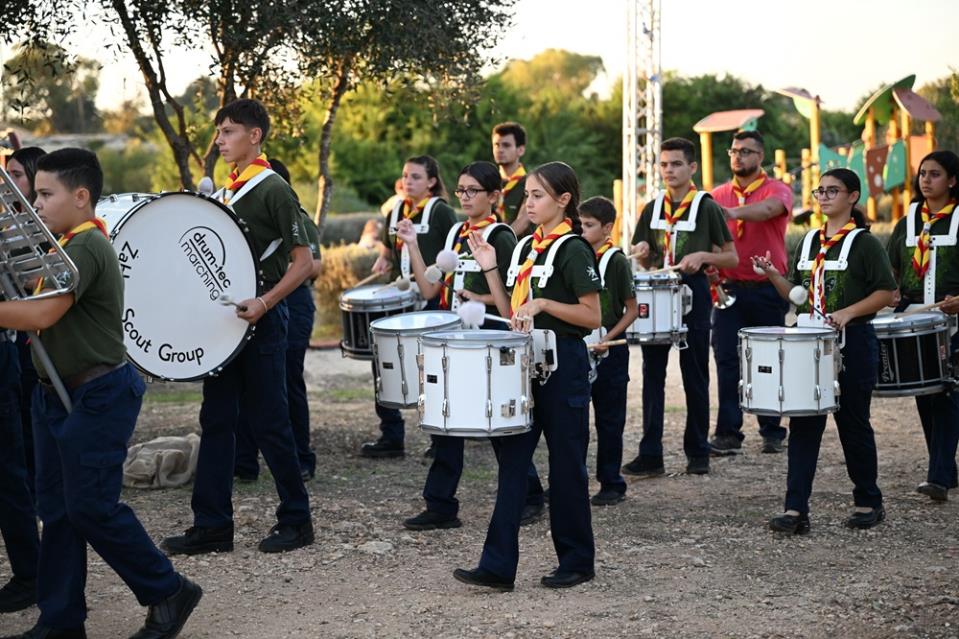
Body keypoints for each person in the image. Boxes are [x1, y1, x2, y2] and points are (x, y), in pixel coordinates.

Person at [0, 148, 201, 639]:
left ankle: (168, 589)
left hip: (98, 393)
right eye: (36, 192)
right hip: (55, 394)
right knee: (59, 512)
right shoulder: (60, 244)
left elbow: (42, 316)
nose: (37, 202)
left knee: (90, 506)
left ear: (81, 196)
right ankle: (61, 619)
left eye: (47, 194)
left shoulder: (87, 246)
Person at [162, 99, 315, 556]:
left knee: (270, 422)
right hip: (227, 323)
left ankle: (297, 518)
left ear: (255, 135)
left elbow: (303, 263)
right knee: (217, 420)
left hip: (263, 321)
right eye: (219, 133)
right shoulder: (228, 191)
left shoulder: (272, 187)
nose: (220, 141)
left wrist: (266, 302)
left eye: (228, 132)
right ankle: (211, 525)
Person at [454, 161, 600, 591]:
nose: (529, 203)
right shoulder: (523, 247)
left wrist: (546, 306)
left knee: (566, 465)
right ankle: (497, 566)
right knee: (512, 464)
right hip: (522, 365)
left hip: (563, 365)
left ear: (563, 200)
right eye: (528, 196)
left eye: (538, 196)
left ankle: (577, 561)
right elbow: (508, 312)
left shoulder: (573, 248)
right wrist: (490, 268)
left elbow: (591, 316)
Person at [397, 161, 545, 530]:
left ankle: (529, 494)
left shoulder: (502, 236)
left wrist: (478, 294)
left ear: (494, 196)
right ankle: (440, 505)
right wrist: (413, 244)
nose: (464, 197)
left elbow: (515, 299)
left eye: (472, 191)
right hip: (452, 338)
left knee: (495, 424)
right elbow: (431, 288)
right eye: (461, 190)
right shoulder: (454, 233)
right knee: (444, 420)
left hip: (488, 341)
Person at [753, 168, 896, 533]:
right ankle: (795, 510)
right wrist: (772, 273)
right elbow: (796, 295)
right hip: (808, 342)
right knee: (803, 425)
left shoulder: (865, 243)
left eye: (833, 190)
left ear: (853, 196)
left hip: (853, 343)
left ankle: (868, 501)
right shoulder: (808, 242)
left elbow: (886, 292)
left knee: (853, 423)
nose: (824, 196)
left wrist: (847, 312)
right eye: (820, 190)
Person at [623, 137, 737, 477]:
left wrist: (704, 256)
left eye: (676, 164)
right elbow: (644, 255)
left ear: (692, 167)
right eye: (663, 164)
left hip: (694, 291)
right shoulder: (652, 207)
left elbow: (732, 256)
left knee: (695, 372)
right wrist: (644, 250)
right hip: (657, 293)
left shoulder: (706, 206)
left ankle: (698, 450)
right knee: (652, 374)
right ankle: (651, 453)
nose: (669, 170)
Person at [361, 156, 457, 459]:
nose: (407, 182)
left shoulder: (441, 211)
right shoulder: (397, 209)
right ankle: (391, 434)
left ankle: (440, 437)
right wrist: (386, 258)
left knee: (430, 371)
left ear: (431, 181)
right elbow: (392, 249)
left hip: (429, 298)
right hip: (398, 297)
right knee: (384, 363)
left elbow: (453, 253)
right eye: (405, 176)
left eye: (416, 177)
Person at [233, 158, 323, 482]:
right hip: (260, 299)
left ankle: (302, 457)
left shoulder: (294, 215)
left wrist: (272, 286)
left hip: (293, 302)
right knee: (247, 384)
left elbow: (312, 264)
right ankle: (244, 460)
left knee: (288, 380)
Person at [708, 131, 793, 456]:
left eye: (746, 151)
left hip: (767, 289)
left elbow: (770, 210)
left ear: (761, 156)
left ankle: (772, 429)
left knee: (767, 360)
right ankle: (728, 432)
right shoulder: (718, 193)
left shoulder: (777, 189)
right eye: (734, 151)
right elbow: (713, 238)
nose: (738, 157)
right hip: (728, 289)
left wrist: (730, 213)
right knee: (727, 359)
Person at [885, 150, 959, 502]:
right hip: (915, 320)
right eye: (923, 174)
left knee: (947, 392)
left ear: (953, 180)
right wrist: (891, 290)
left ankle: (939, 476)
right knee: (926, 393)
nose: (926, 180)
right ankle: (946, 468)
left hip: (955, 320)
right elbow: (891, 268)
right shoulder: (909, 219)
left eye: (935, 174)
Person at [578, 196, 638, 505]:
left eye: (588, 226)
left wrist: (608, 336)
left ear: (607, 228)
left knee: (609, 420)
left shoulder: (615, 260)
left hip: (610, 349)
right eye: (580, 224)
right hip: (580, 345)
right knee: (574, 420)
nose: (582, 230)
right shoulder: (576, 255)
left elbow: (631, 310)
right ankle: (573, 480)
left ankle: (611, 482)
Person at [6, 146, 45, 490]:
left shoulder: (45, 225)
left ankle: (35, 484)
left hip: (37, 335)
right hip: (13, 332)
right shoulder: (9, 218)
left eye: (17, 175)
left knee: (32, 415)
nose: (9, 181)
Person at [492, 122, 531, 236]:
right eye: (496, 145)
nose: (500, 150)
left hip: (518, 248)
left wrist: (499, 241)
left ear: (521, 150)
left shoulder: (530, 183)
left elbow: (523, 221)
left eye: (506, 145)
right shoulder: (489, 182)